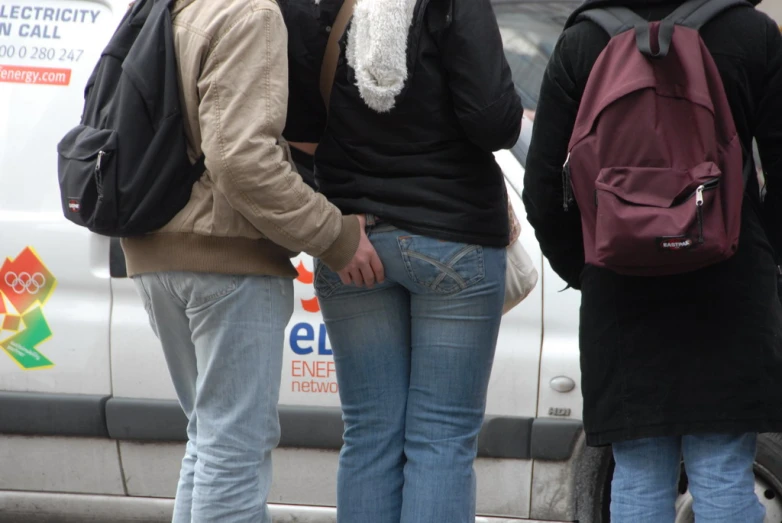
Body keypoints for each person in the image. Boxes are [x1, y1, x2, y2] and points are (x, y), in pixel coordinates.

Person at [121, 0, 383, 521]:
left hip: (153, 247)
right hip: (226, 255)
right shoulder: (251, 13)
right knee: (234, 451)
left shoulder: (166, 7)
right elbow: (242, 160)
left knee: (208, 439)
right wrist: (336, 235)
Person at [522, 0, 782, 521]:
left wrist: (591, 263)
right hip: (730, 289)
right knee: (724, 473)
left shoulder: (582, 42)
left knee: (638, 473)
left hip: (620, 293)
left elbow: (542, 189)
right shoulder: (751, 33)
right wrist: (765, 254)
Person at [282, 0, 522, 521]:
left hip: (352, 241)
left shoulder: (311, 5)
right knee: (442, 438)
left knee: (369, 434)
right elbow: (494, 121)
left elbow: (297, 130)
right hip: (452, 237)